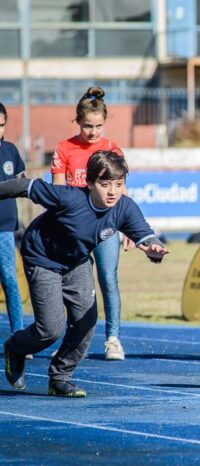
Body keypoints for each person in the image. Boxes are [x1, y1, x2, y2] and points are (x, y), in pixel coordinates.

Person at [1, 151, 169, 397]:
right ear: (89, 183)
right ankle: (15, 348)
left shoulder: (124, 207)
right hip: (42, 258)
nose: (112, 191)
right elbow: (23, 186)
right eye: (104, 184)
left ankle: (60, 377)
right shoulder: (69, 197)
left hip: (77, 261)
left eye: (119, 184)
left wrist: (153, 248)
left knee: (86, 320)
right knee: (51, 328)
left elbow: (144, 235)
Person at [51, 86, 129, 361]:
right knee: (75, 287)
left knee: (108, 279)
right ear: (77, 121)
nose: (93, 132)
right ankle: (74, 342)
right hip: (75, 231)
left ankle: (113, 339)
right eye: (87, 126)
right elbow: (57, 196)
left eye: (98, 126)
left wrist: (129, 228)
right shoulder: (64, 149)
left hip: (106, 227)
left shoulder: (111, 148)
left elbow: (122, 192)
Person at [0, 103, 25, 336]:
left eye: (1, 125)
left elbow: (21, 181)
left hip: (5, 228)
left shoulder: (10, 150)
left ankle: (19, 335)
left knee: (10, 279)